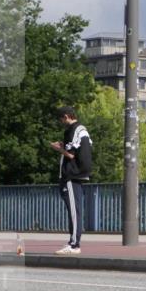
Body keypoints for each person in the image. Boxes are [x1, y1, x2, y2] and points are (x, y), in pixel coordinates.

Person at [50, 106, 93, 255]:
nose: (61, 121)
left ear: (67, 116)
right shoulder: (82, 129)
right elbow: (78, 149)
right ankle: (73, 242)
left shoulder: (71, 130)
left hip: (71, 175)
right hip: (80, 174)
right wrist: (64, 147)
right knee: (75, 211)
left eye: (61, 118)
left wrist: (57, 148)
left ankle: (74, 244)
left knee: (74, 212)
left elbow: (71, 155)